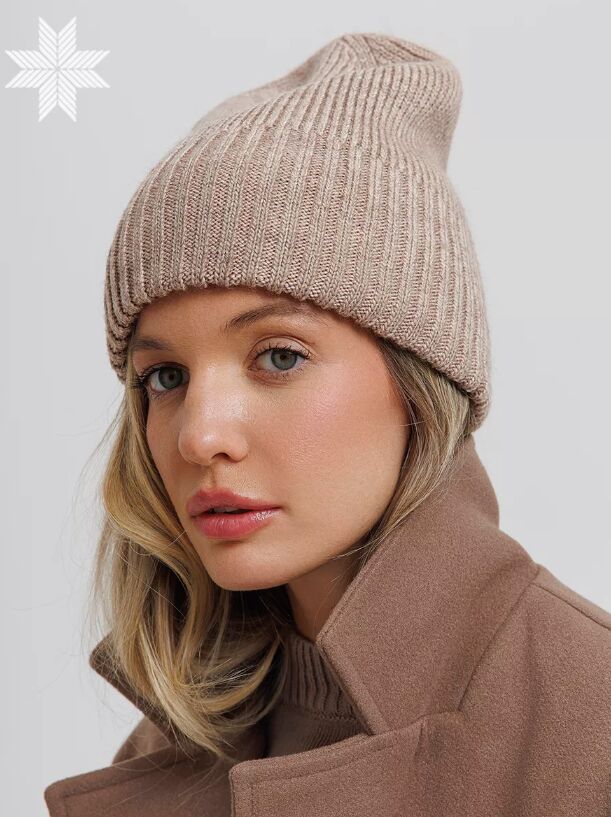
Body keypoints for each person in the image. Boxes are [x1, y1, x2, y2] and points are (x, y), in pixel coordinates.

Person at [44, 31, 611, 817]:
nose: (198, 436)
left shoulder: (587, 718)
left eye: (278, 357)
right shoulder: (179, 740)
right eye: (165, 376)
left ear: (419, 381)